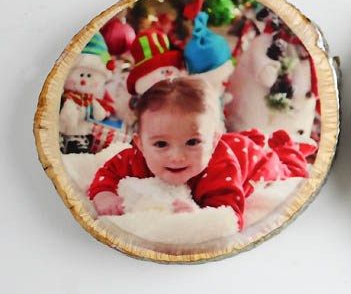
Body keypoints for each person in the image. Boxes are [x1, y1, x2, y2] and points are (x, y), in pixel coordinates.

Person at [88, 77, 314, 229]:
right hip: (228, 142)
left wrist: (199, 217)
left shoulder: (221, 170)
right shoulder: (135, 157)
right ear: (139, 144)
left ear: (214, 140)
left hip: (248, 155)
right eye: (161, 144)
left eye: (192, 141)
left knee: (283, 168)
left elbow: (230, 218)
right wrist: (104, 195)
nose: (176, 157)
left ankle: (287, 148)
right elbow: (107, 172)